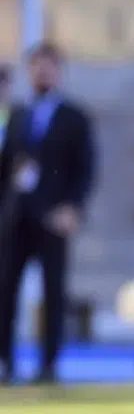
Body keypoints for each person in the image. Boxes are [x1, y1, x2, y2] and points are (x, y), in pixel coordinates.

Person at [0, 42, 96, 384]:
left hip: (54, 218)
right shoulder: (17, 115)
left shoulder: (74, 117)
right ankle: (5, 362)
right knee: (5, 291)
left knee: (53, 292)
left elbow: (85, 168)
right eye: (36, 66)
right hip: (16, 219)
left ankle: (49, 364)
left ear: (58, 71)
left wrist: (73, 208)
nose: (42, 73)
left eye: (48, 66)